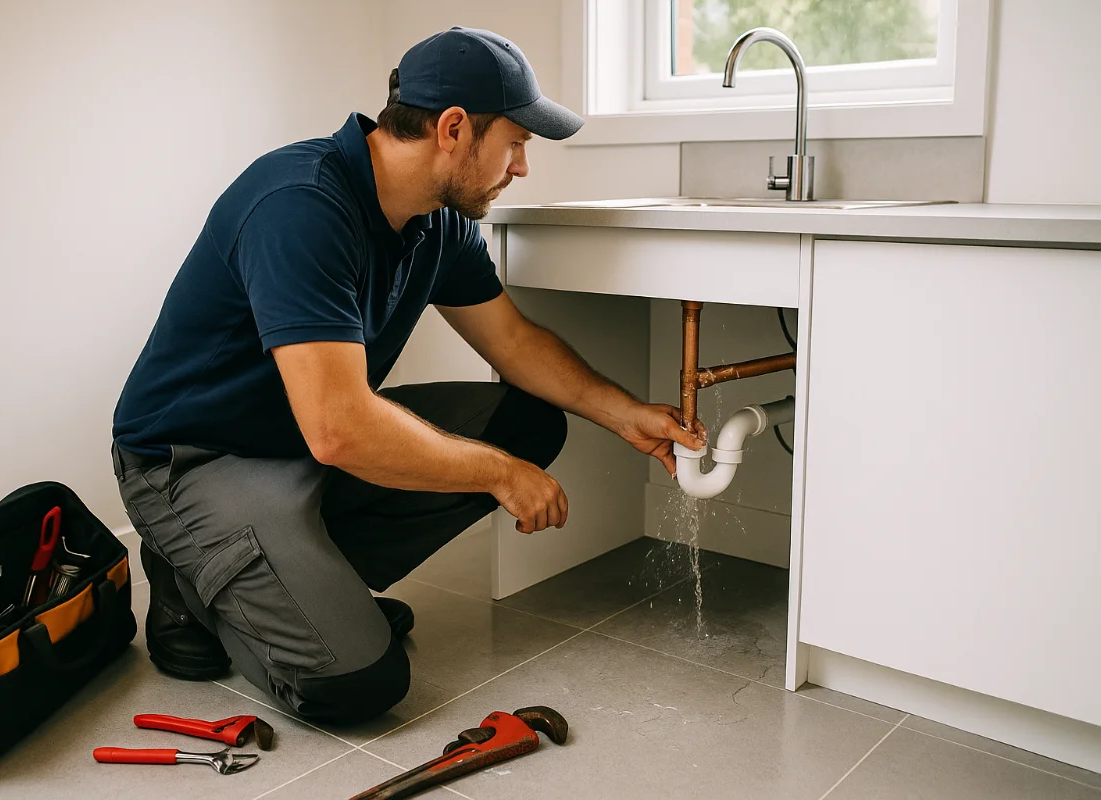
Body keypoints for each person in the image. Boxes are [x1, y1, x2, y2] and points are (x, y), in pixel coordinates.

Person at [110, 26, 705, 725]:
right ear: (454, 129)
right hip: (194, 459)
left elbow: (512, 342)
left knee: (526, 425)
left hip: (299, 445)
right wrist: (497, 474)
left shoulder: (436, 222)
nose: (521, 168)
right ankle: (193, 584)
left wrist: (624, 413)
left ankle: (294, 582)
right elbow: (339, 429)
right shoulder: (299, 206)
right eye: (514, 143)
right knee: (360, 685)